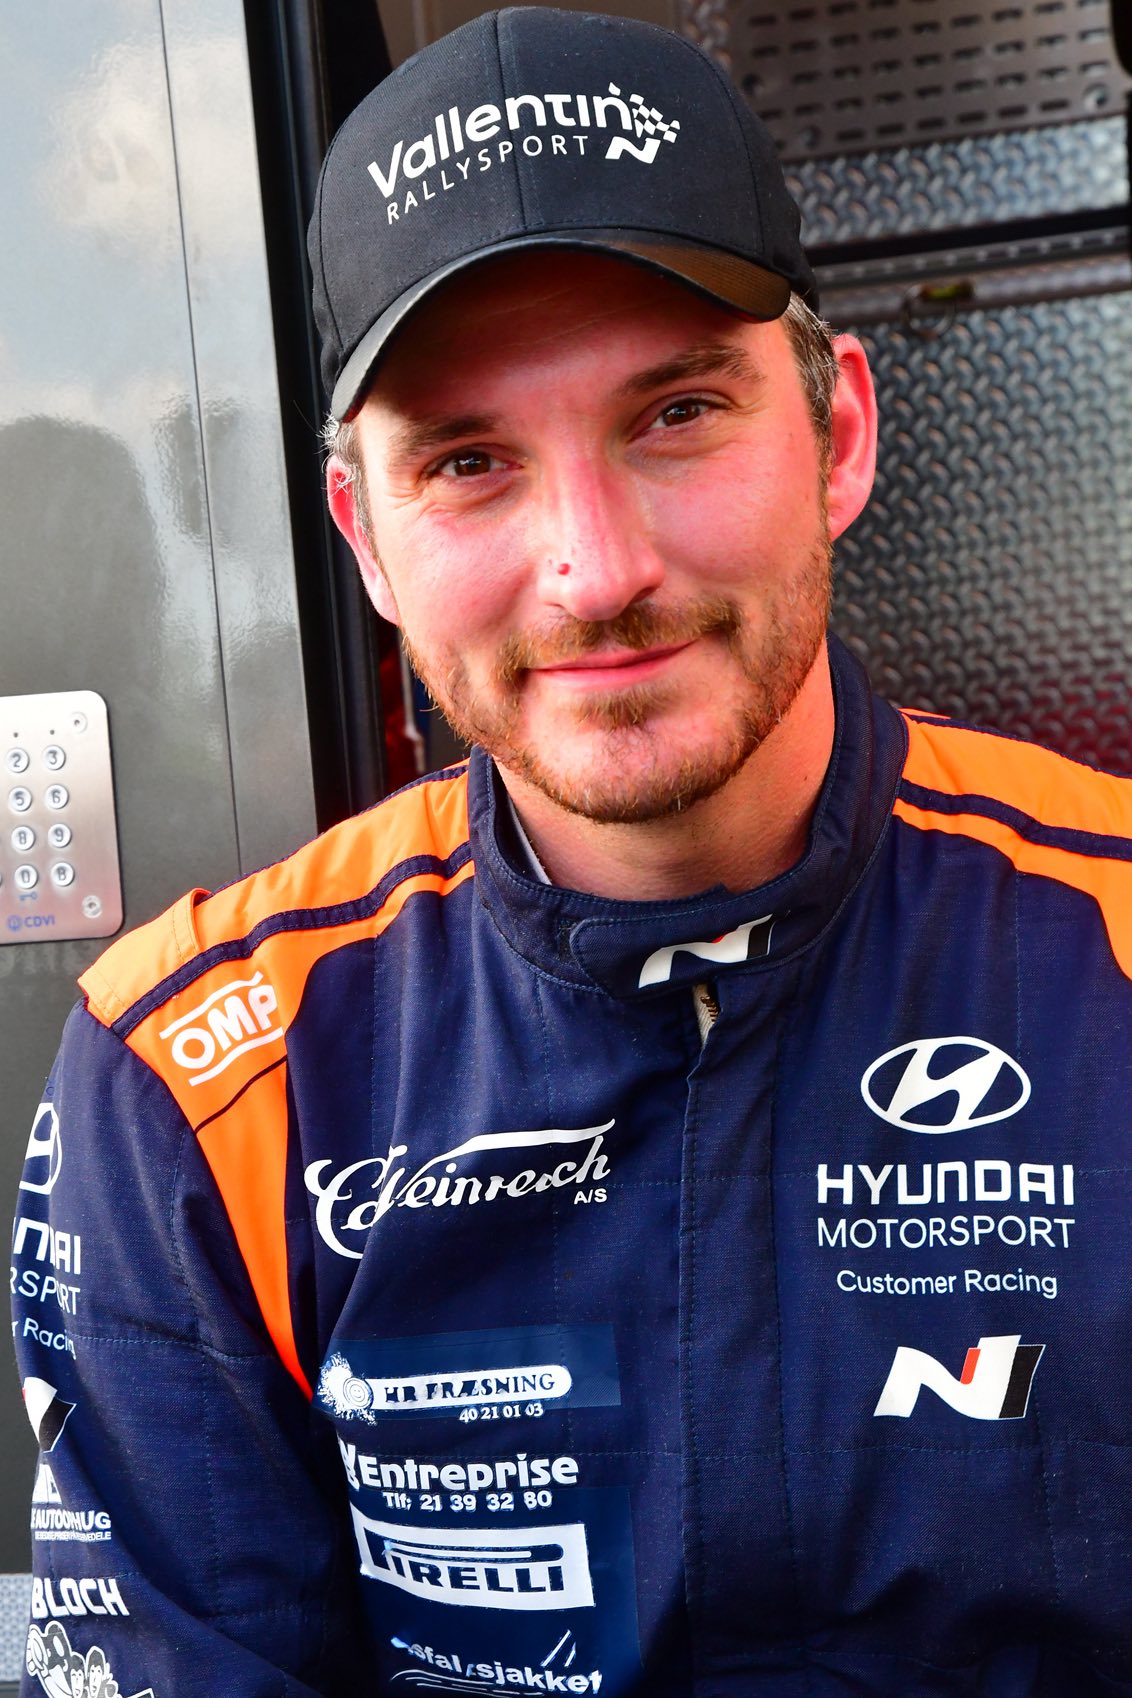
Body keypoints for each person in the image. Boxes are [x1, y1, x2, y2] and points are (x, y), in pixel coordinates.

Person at [11, 7, 1132, 1696]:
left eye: (677, 412)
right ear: (366, 539)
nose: (596, 571)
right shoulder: (189, 1081)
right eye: (469, 461)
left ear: (837, 434)